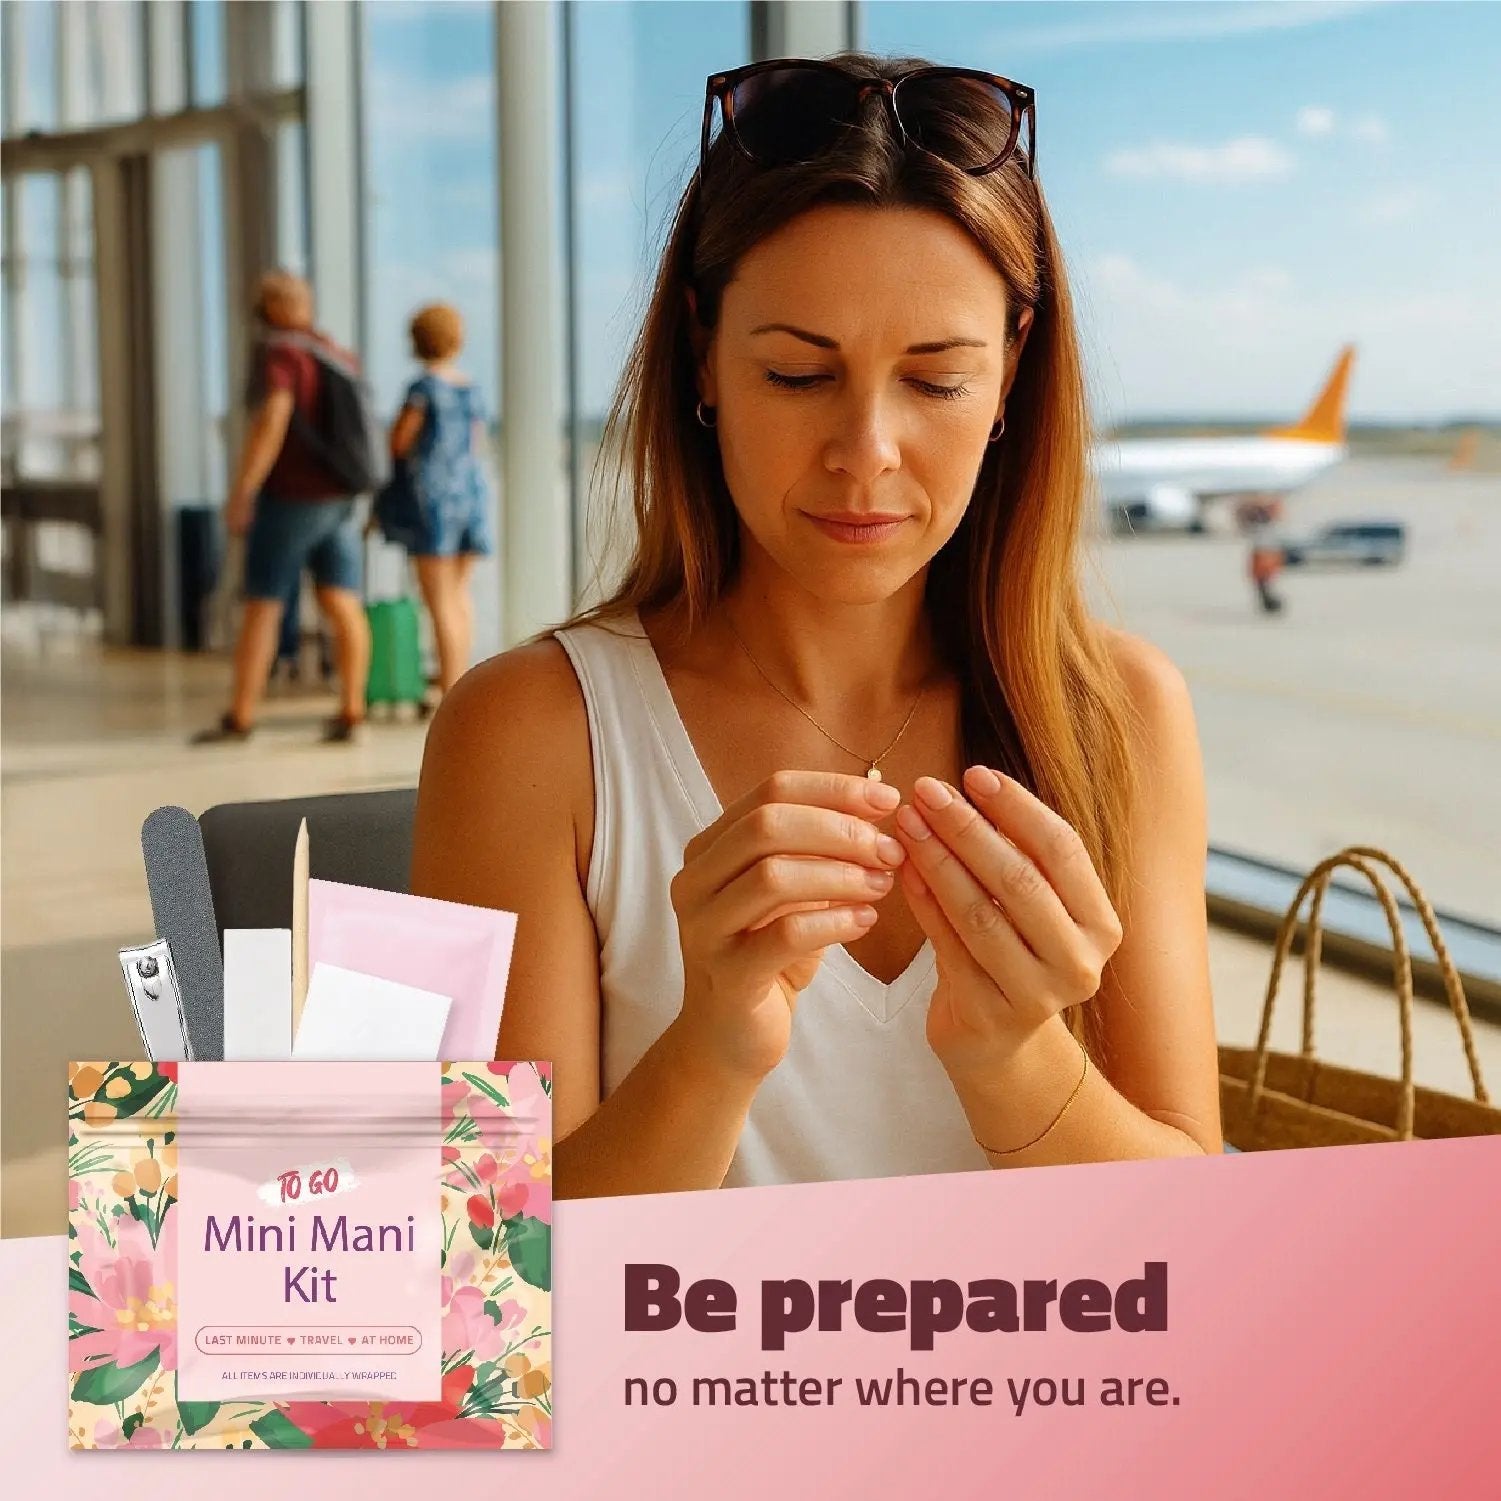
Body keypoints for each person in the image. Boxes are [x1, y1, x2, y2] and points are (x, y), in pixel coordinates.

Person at [411, 54, 1223, 1196]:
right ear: (702, 353)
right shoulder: (531, 732)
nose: (866, 455)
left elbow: (1196, 1233)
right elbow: (487, 1288)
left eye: (936, 380)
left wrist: (1013, 1059)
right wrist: (712, 1048)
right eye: (797, 374)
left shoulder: (1123, 715)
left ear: (1010, 379)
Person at [193, 270, 370, 744]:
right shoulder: (335, 353)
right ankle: (352, 708)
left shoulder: (282, 355)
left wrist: (243, 489)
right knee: (342, 602)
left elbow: (274, 418)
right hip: (339, 498)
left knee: (263, 604)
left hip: (292, 498)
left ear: (269, 309)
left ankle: (241, 715)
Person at [386, 303, 494, 698]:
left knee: (439, 599)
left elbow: (400, 443)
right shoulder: (471, 388)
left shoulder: (422, 389)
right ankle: (461, 679)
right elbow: (476, 442)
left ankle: (451, 690)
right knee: (460, 594)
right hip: (471, 496)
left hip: (432, 501)